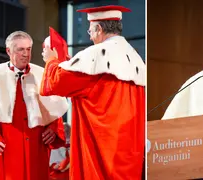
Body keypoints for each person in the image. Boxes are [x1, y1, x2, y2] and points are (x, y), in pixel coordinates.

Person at [41, 5, 145, 180]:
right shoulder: (134, 56)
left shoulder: (97, 54)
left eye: (90, 29)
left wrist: (51, 60)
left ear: (99, 29)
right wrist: (70, 64)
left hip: (103, 148)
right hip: (127, 150)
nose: (89, 34)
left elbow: (56, 82)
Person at [0, 31, 69, 180]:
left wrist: (53, 128)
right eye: (20, 49)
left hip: (37, 147)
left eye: (28, 49)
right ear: (8, 51)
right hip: (7, 148)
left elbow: (54, 110)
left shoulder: (42, 74)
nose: (26, 54)